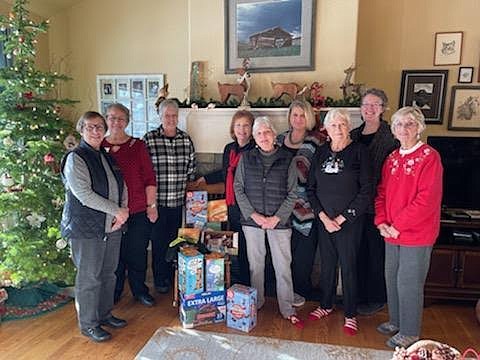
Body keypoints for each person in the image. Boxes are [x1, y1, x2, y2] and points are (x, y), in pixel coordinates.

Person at [375, 106, 443, 348]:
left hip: (417, 234)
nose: (404, 129)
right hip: (391, 232)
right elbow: (381, 192)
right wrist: (381, 221)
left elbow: (426, 199)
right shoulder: (392, 158)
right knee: (391, 277)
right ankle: (396, 321)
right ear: (393, 129)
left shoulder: (429, 157)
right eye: (399, 124)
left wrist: (397, 225)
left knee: (409, 282)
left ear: (419, 127)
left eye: (409, 124)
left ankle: (410, 332)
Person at [60, 111, 128, 342]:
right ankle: (88, 324)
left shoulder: (106, 155)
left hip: (112, 226)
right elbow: (85, 196)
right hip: (86, 228)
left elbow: (122, 185)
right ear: (81, 130)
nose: (96, 131)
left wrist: (123, 213)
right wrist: (116, 211)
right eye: (90, 127)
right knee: (89, 277)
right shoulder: (75, 157)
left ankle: (104, 314)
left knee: (109, 274)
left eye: (100, 127)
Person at [307, 108, 373, 336]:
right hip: (325, 221)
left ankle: (350, 313)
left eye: (342, 124)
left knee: (349, 267)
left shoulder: (359, 152)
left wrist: (344, 218)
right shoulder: (320, 152)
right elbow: (311, 189)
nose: (338, 129)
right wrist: (324, 218)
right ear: (326, 129)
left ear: (348, 127)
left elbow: (366, 191)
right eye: (333, 125)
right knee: (327, 264)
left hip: (350, 222)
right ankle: (325, 305)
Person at [234, 116, 304, 329]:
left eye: (267, 132)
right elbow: (238, 188)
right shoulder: (246, 158)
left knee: (283, 265)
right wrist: (254, 215)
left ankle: (286, 307)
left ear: (274, 135)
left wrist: (276, 218)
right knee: (256, 265)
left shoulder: (288, 158)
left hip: (279, 223)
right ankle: (258, 302)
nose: (263, 136)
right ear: (254, 138)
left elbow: (293, 193)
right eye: (259, 133)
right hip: (252, 221)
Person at [102, 104, 158, 307]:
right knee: (113, 255)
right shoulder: (98, 147)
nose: (116, 122)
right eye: (111, 117)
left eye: (120, 118)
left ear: (127, 121)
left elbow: (149, 178)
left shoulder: (138, 145)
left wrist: (152, 206)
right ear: (106, 120)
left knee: (137, 252)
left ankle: (139, 290)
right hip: (111, 212)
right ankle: (114, 291)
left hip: (137, 209)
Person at [350, 88, 399, 316]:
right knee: (357, 252)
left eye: (375, 105)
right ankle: (357, 295)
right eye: (365, 104)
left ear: (383, 108)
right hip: (355, 206)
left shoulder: (391, 137)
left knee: (376, 254)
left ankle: (376, 297)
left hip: (379, 206)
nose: (369, 109)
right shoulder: (353, 135)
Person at [193, 110, 255, 285]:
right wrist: (206, 178)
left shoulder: (255, 149)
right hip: (232, 204)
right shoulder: (230, 149)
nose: (242, 130)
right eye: (238, 125)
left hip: (249, 205)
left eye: (246, 125)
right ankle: (235, 279)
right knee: (235, 242)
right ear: (233, 128)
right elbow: (225, 172)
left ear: (251, 128)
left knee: (249, 246)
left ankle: (249, 282)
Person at [277, 99, 327, 305]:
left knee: (303, 253)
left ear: (309, 118)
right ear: (289, 117)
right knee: (282, 251)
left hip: (307, 205)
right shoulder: (279, 139)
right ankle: (283, 291)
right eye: (294, 114)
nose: (298, 119)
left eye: (302, 115)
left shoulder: (317, 140)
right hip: (281, 205)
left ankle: (301, 291)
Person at [143, 99, 196, 294]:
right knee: (158, 243)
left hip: (179, 204)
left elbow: (191, 171)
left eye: (174, 115)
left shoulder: (186, 139)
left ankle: (175, 278)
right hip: (157, 204)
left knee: (177, 243)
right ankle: (160, 279)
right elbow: (144, 173)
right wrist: (150, 204)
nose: (171, 119)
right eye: (167, 115)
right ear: (160, 116)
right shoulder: (149, 139)